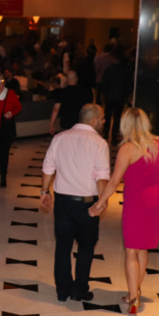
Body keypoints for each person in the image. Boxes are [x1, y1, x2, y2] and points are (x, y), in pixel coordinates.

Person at [89, 108, 159, 316]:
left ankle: (133, 297)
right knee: (143, 248)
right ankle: (135, 291)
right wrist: (154, 182)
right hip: (157, 199)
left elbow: (113, 182)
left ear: (126, 125)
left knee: (131, 249)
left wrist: (99, 204)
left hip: (137, 200)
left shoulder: (127, 149)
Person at [40, 104, 110, 302]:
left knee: (63, 246)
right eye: (103, 118)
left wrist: (44, 192)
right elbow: (101, 177)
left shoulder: (60, 137)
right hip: (86, 205)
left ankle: (62, 291)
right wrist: (102, 202)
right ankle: (79, 290)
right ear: (94, 120)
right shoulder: (99, 143)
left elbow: (48, 167)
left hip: (62, 202)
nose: (104, 121)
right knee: (86, 247)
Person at [101, 53, 133, 145]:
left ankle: (105, 133)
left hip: (109, 96)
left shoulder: (108, 70)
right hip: (120, 96)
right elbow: (129, 84)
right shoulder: (125, 70)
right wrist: (127, 95)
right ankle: (114, 137)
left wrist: (104, 94)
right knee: (117, 116)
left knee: (107, 114)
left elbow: (104, 83)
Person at [49, 70, 92, 135]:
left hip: (66, 122)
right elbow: (88, 108)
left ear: (67, 80)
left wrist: (51, 125)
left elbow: (55, 109)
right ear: (76, 79)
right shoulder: (84, 92)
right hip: (80, 123)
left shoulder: (61, 92)